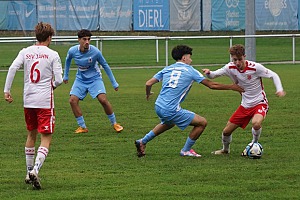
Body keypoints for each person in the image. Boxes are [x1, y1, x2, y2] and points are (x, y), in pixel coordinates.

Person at [134, 45, 244, 158]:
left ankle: (142, 141)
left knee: (169, 123)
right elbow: (211, 85)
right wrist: (232, 87)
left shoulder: (168, 68)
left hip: (158, 105)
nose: (191, 60)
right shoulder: (191, 71)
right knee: (202, 122)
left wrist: (148, 93)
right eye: (190, 57)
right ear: (184, 58)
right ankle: (186, 150)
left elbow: (148, 83)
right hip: (170, 109)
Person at [4, 22, 63, 189]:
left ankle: (28, 170)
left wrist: (6, 90)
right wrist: (51, 85)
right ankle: (35, 170)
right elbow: (58, 79)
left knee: (31, 134)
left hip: (28, 100)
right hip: (44, 101)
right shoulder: (53, 54)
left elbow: (13, 68)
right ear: (50, 37)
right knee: (46, 137)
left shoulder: (25, 52)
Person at [202, 44, 286, 155]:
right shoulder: (229, 68)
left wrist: (279, 89)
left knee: (256, 123)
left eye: (240, 59)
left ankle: (254, 144)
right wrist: (208, 73)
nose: (237, 63)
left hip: (260, 103)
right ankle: (225, 150)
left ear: (244, 56)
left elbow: (273, 75)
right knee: (226, 132)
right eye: (234, 60)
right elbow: (213, 75)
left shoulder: (255, 67)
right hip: (245, 105)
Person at [63, 29, 123, 134]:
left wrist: (114, 83)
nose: (87, 42)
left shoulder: (95, 52)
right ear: (79, 40)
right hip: (80, 79)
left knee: (103, 100)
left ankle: (115, 123)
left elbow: (105, 65)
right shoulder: (72, 51)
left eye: (89, 39)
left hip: (95, 79)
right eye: (84, 39)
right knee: (72, 100)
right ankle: (82, 127)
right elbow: (67, 61)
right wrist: (66, 76)